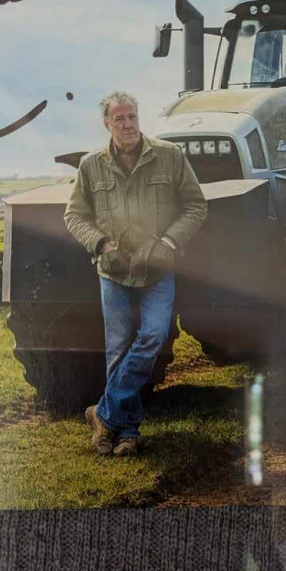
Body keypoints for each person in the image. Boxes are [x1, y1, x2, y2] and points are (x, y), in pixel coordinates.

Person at [64, 91, 207, 456]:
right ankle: (125, 432)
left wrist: (170, 243)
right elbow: (74, 216)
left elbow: (195, 206)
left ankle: (103, 413)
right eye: (119, 119)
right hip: (113, 273)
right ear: (107, 124)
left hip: (157, 269)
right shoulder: (90, 166)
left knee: (154, 337)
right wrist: (100, 244)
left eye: (132, 117)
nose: (128, 125)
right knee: (118, 352)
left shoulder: (169, 156)